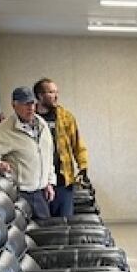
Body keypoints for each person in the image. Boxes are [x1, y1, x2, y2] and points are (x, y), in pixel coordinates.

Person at [0, 86, 55, 219]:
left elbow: (48, 156)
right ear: (14, 105)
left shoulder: (42, 124)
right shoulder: (6, 129)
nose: (30, 108)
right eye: (25, 104)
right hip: (21, 193)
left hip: (41, 193)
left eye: (32, 103)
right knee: (26, 235)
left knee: (44, 233)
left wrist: (49, 182)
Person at [33, 78, 89, 217]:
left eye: (56, 92)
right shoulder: (30, 118)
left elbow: (77, 144)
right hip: (39, 180)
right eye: (51, 92)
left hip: (63, 179)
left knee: (65, 220)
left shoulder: (65, 117)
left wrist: (83, 165)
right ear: (40, 95)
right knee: (45, 223)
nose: (56, 96)